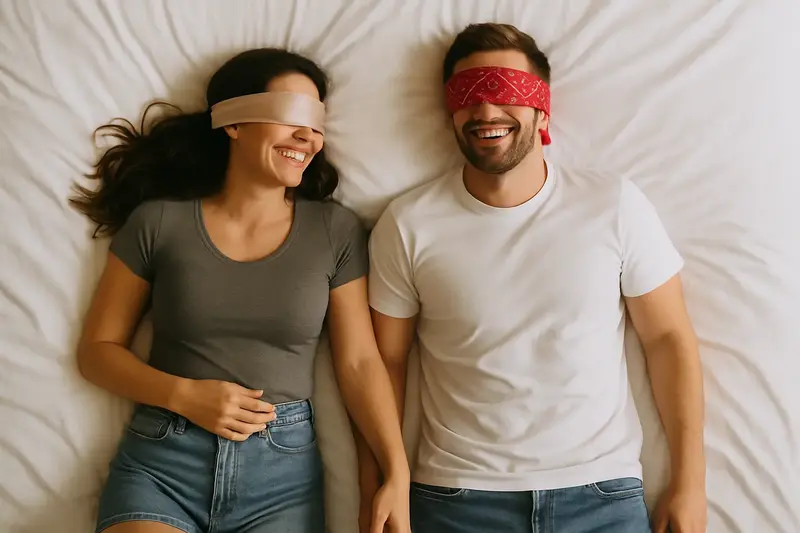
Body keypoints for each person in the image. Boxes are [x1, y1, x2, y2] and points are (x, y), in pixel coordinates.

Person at [356, 23, 707, 533]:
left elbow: (669, 338)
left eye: (505, 93)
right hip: (458, 499)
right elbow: (383, 364)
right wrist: (379, 487)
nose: (485, 111)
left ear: (542, 108)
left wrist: (691, 485)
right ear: (449, 110)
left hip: (602, 497)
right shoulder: (407, 225)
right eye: (468, 95)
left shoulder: (613, 206)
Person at [71, 48, 410, 533]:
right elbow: (97, 352)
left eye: (317, 123)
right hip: (162, 464)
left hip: (282, 478)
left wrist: (396, 472)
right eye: (292, 115)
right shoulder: (158, 222)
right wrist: (184, 394)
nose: (308, 137)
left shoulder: (334, 230)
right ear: (232, 122)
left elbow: (359, 362)